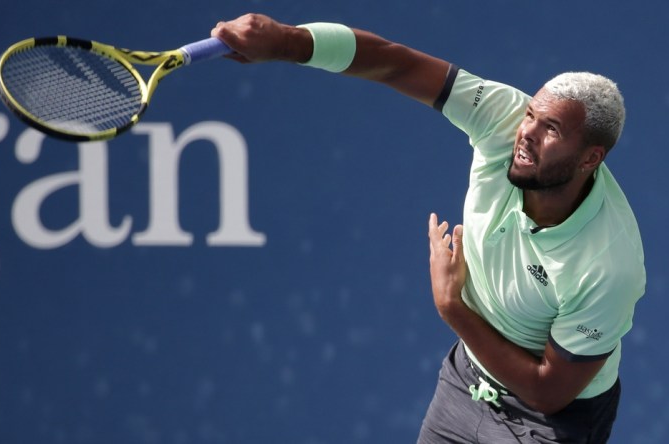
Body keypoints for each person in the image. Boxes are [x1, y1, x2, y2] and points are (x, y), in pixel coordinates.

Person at [211, 13, 646, 443]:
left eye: (550, 129)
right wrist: (287, 42)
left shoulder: (608, 265)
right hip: (465, 383)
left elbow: (548, 391)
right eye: (531, 114)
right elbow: (396, 62)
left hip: (549, 424)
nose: (525, 133)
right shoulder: (503, 118)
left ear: (590, 159)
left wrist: (452, 306)